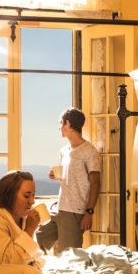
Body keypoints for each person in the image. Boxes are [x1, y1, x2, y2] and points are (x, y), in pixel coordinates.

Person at [36, 107, 101, 254]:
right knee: (39, 236)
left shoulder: (89, 151)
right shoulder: (64, 151)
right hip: (60, 207)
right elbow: (70, 180)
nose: (59, 127)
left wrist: (89, 212)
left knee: (69, 256)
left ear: (68, 124)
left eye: (61, 123)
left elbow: (95, 183)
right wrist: (57, 177)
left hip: (75, 211)